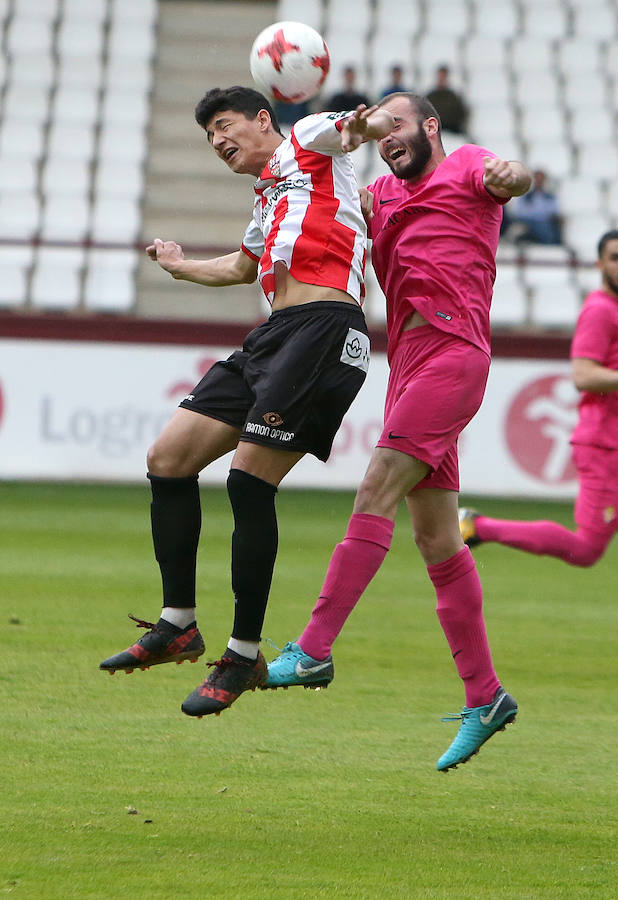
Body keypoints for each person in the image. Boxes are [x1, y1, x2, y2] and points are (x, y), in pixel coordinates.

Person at [98, 86, 394, 718]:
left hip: (324, 328)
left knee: (248, 483)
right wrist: (181, 266)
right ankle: (179, 623)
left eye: (225, 125)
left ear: (265, 118)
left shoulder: (309, 140)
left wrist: (371, 121)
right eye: (210, 136)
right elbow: (243, 265)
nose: (219, 140)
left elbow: (355, 128)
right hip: (273, 337)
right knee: (168, 458)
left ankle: (242, 652)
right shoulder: (269, 195)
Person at [266, 92, 532, 772]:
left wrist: (515, 176)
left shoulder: (469, 165)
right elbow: (322, 204)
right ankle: (486, 696)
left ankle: (313, 650)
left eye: (401, 123)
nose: (390, 136)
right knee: (437, 538)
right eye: (381, 128)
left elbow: (511, 176)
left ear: (431, 128)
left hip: (453, 358)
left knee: (375, 487)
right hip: (406, 369)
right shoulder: (379, 195)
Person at [460, 230, 618, 565]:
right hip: (605, 446)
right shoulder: (601, 311)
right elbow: (583, 375)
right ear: (599, 264)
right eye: (615, 258)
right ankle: (478, 526)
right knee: (586, 549)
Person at [508, 168, 563, 245]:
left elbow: (554, 213)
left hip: (544, 224)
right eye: (537, 179)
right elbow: (519, 213)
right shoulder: (525, 197)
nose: (539, 182)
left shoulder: (550, 197)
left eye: (541, 179)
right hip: (528, 224)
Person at [426, 65, 469, 136]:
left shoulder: (453, 97)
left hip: (451, 129)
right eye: (440, 76)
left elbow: (460, 113)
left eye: (444, 76)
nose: (442, 79)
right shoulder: (430, 96)